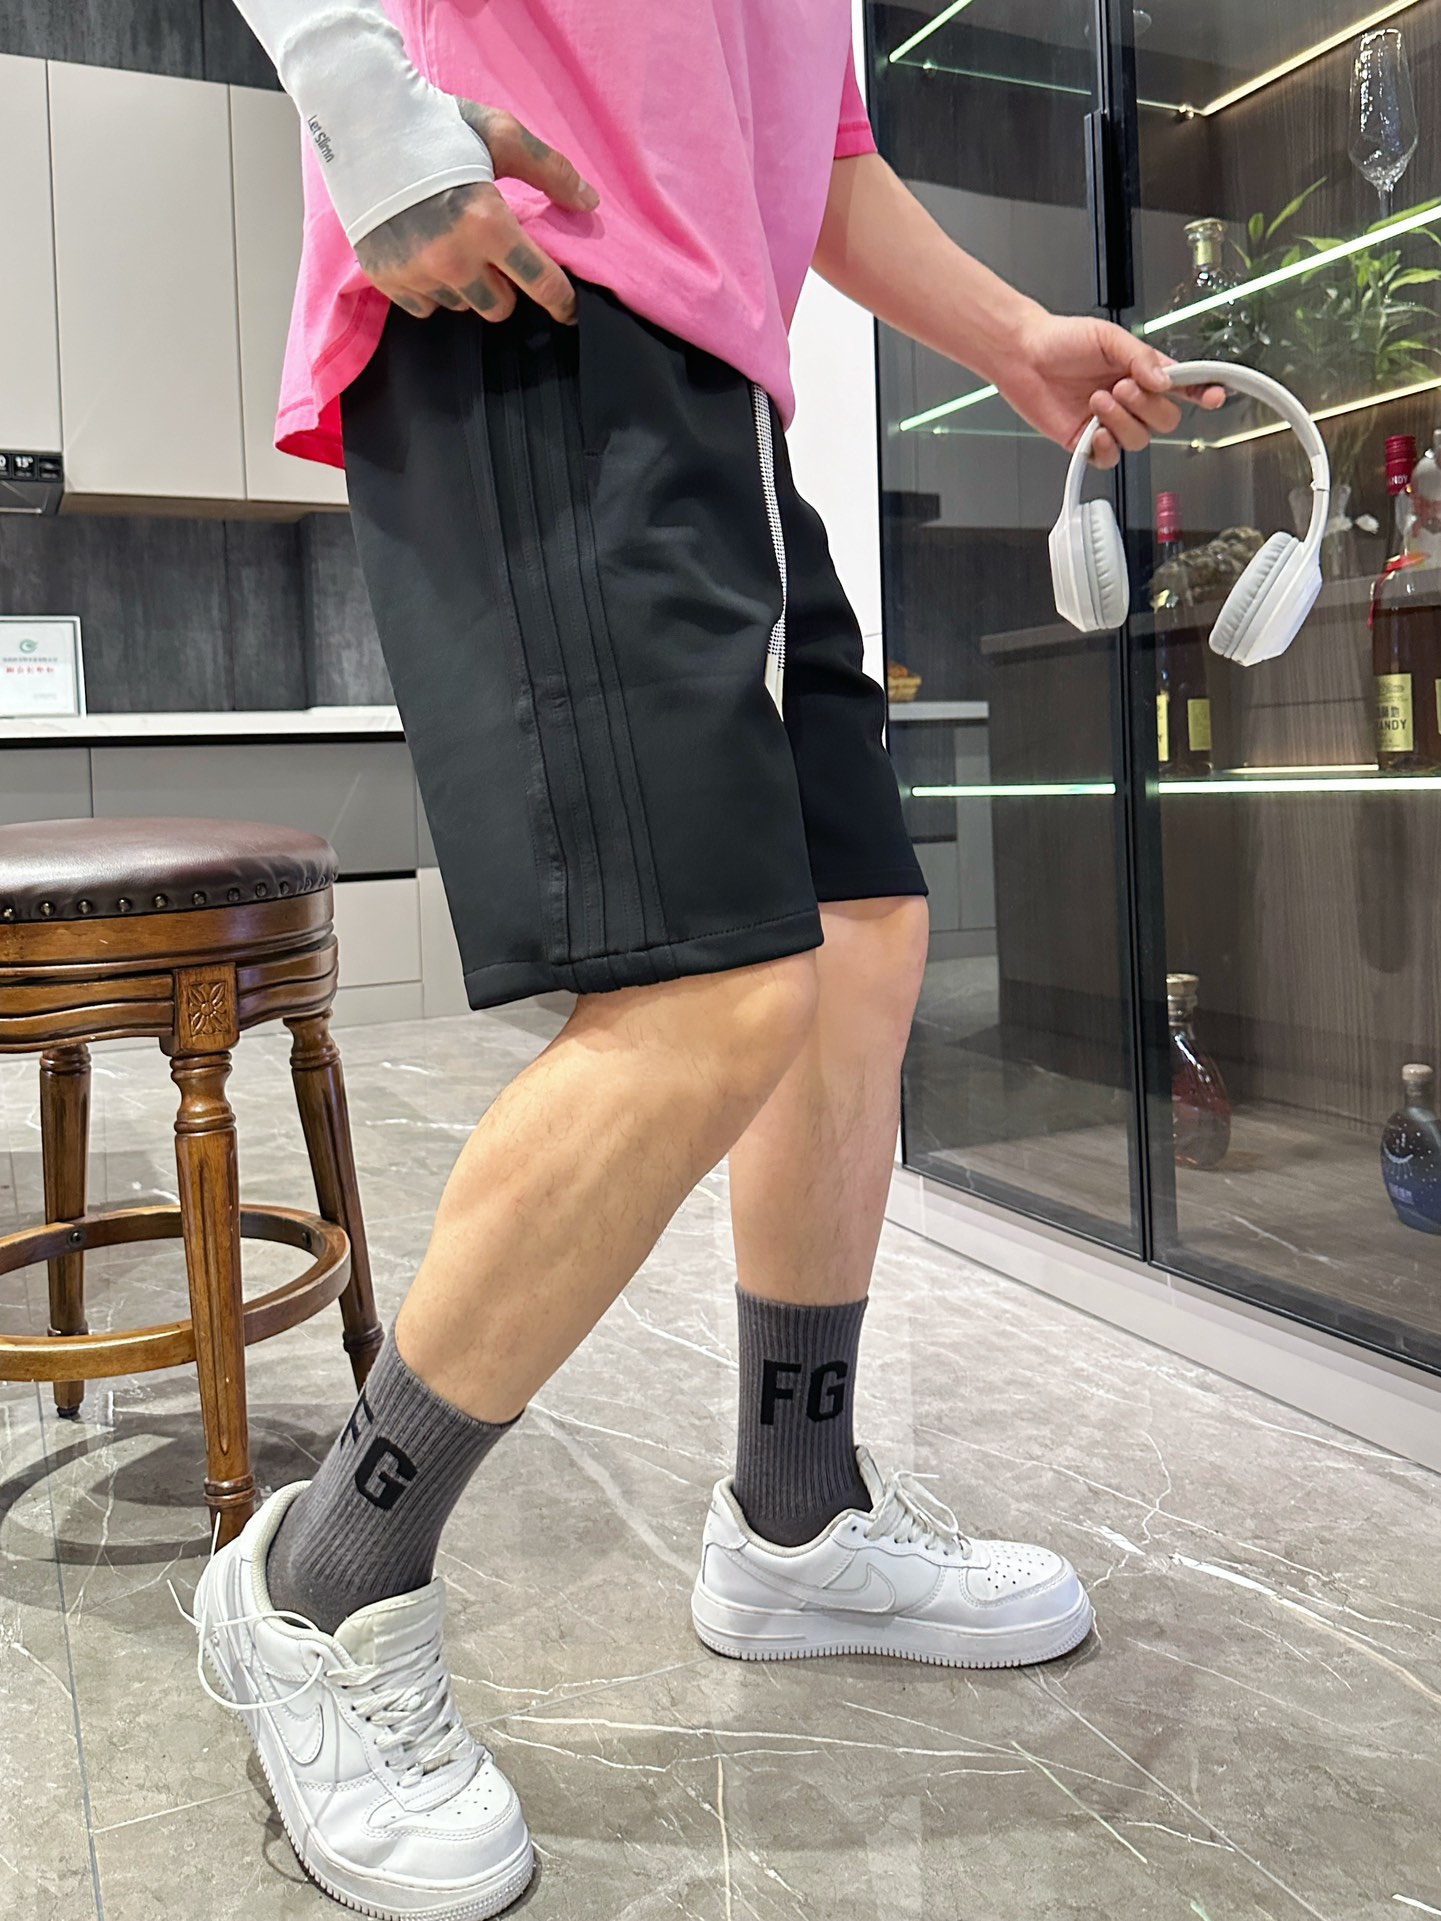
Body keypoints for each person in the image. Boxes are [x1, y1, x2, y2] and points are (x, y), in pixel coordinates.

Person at [195, 5, 1225, 1915]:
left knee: (857, 940)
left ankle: (796, 1512)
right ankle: (318, 1583)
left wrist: (1015, 338)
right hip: (525, 304)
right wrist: (368, 114)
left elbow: (814, 162)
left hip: (720, 399)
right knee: (704, 993)